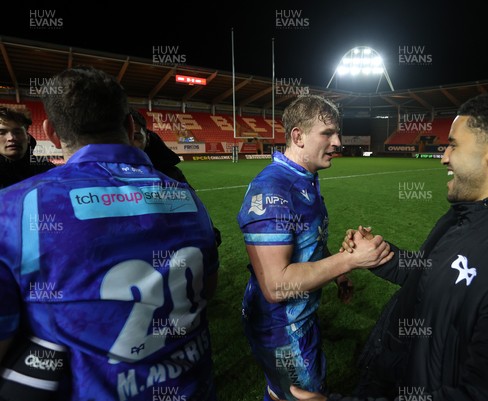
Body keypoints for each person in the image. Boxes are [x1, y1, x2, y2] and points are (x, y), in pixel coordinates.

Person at [290, 90, 488, 401]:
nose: (444, 157)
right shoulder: (473, 212)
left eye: (453, 145)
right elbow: (433, 273)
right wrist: (380, 256)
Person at [0, 66, 220, 401]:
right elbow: (208, 289)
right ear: (130, 125)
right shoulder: (187, 196)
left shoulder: (16, 206)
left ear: (51, 133)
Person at [237, 94, 394, 401]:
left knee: (285, 393)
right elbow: (277, 285)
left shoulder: (305, 179)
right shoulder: (273, 190)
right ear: (298, 136)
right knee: (304, 396)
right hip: (283, 327)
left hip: (298, 320)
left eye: (338, 133)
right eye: (328, 134)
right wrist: (350, 261)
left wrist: (336, 268)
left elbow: (306, 243)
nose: (338, 142)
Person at [129, 107, 222, 248]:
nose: (129, 146)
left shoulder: (169, 174)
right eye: (122, 139)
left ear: (147, 138)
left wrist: (209, 232)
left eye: (136, 137)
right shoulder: (93, 177)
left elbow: (192, 212)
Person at [0, 106, 55, 189]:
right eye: (2, 133)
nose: (11, 137)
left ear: (28, 137)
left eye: (18, 132)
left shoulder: (47, 169)